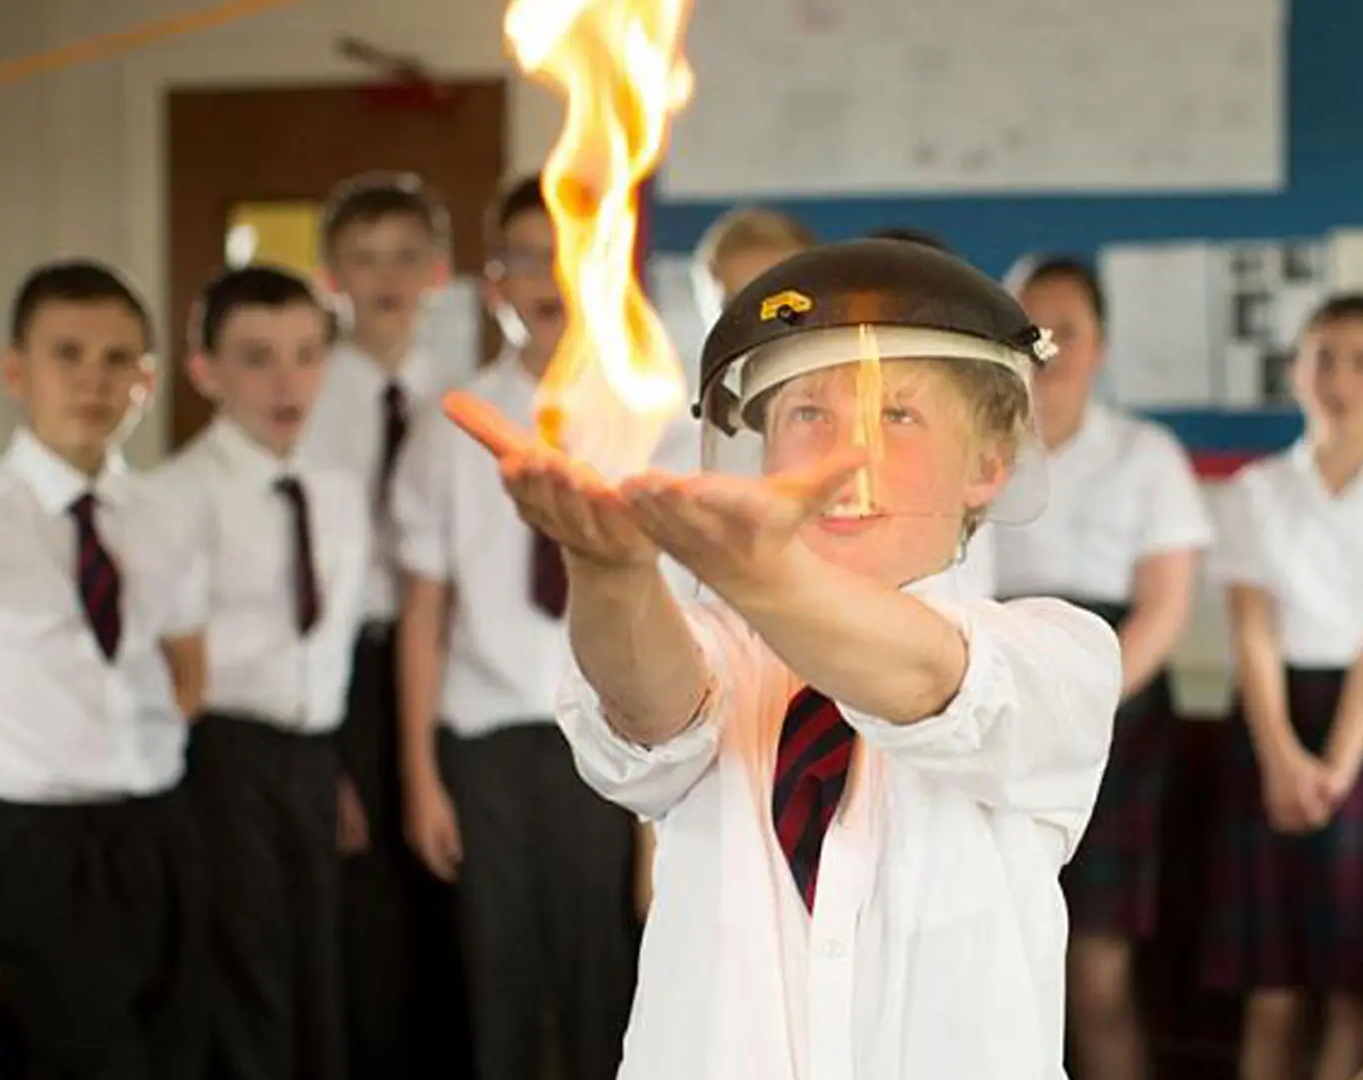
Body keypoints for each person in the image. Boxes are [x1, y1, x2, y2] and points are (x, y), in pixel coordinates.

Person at [447, 237, 1120, 1078]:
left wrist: (758, 572)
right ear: (761, 451)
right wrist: (611, 570)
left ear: (988, 464)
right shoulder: (719, 644)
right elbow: (650, 708)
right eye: (808, 413)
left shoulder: (1059, 653)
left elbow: (925, 678)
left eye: (898, 414)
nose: (851, 454)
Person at [392, 173, 638, 1080]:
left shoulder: (642, 416)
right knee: (497, 980)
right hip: (487, 743)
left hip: (613, 746)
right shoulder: (451, 424)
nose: (551, 276)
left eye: (572, 252)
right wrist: (420, 777)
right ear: (492, 282)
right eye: (528, 257)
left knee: (601, 983)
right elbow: (426, 609)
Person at [1201, 295, 1363, 1080]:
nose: (1340, 378)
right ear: (1296, 373)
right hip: (1269, 722)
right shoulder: (1253, 491)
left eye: (1361, 361)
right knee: (1273, 986)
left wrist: (1339, 772)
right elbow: (1252, 631)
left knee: (1352, 986)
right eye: (1323, 358)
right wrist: (1282, 760)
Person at [993, 253, 1212, 1080]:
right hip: (997, 717)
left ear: (1102, 347)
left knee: (1095, 975)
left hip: (1111, 721)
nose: (1046, 349)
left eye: (1067, 332)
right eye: (1029, 331)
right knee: (1008, 966)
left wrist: (1079, 706)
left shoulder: (1146, 455)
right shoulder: (976, 450)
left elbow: (1164, 610)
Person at [147, 265, 368, 1080]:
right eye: (257, 357)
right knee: (247, 981)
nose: (288, 381)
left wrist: (331, 765)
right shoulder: (174, 497)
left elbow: (325, 649)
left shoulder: (338, 490)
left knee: (320, 974)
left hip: (309, 758)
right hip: (221, 756)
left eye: (307, 354)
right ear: (205, 369)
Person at [0, 260, 210, 1080]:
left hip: (157, 829)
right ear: (17, 370)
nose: (94, 378)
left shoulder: (164, 515)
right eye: (68, 353)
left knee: (172, 1045)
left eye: (118, 359)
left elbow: (189, 673)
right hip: (33, 842)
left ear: (147, 381)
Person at [300, 169, 471, 1080]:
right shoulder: (308, 398)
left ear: (438, 271)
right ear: (333, 274)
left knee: (450, 892)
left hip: (451, 663)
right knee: (368, 909)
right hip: (352, 666)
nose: (387, 276)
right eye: (364, 259)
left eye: (406, 255)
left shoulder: (460, 397)